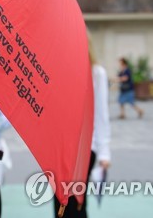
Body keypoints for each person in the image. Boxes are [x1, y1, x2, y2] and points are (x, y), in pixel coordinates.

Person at [53, 31, 111, 218]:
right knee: (59, 203)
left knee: (77, 203)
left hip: (85, 148)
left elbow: (102, 113)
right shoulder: (57, 70)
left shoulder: (97, 73)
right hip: (60, 149)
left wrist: (104, 151)